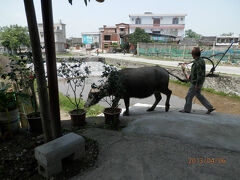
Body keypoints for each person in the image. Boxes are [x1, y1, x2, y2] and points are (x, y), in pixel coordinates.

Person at [179, 47, 215, 114]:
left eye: (192, 54)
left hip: (196, 82)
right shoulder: (200, 60)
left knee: (188, 96)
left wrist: (197, 85)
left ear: (193, 55)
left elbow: (200, 75)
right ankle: (209, 107)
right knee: (198, 95)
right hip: (197, 82)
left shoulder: (198, 63)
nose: (191, 55)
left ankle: (187, 110)